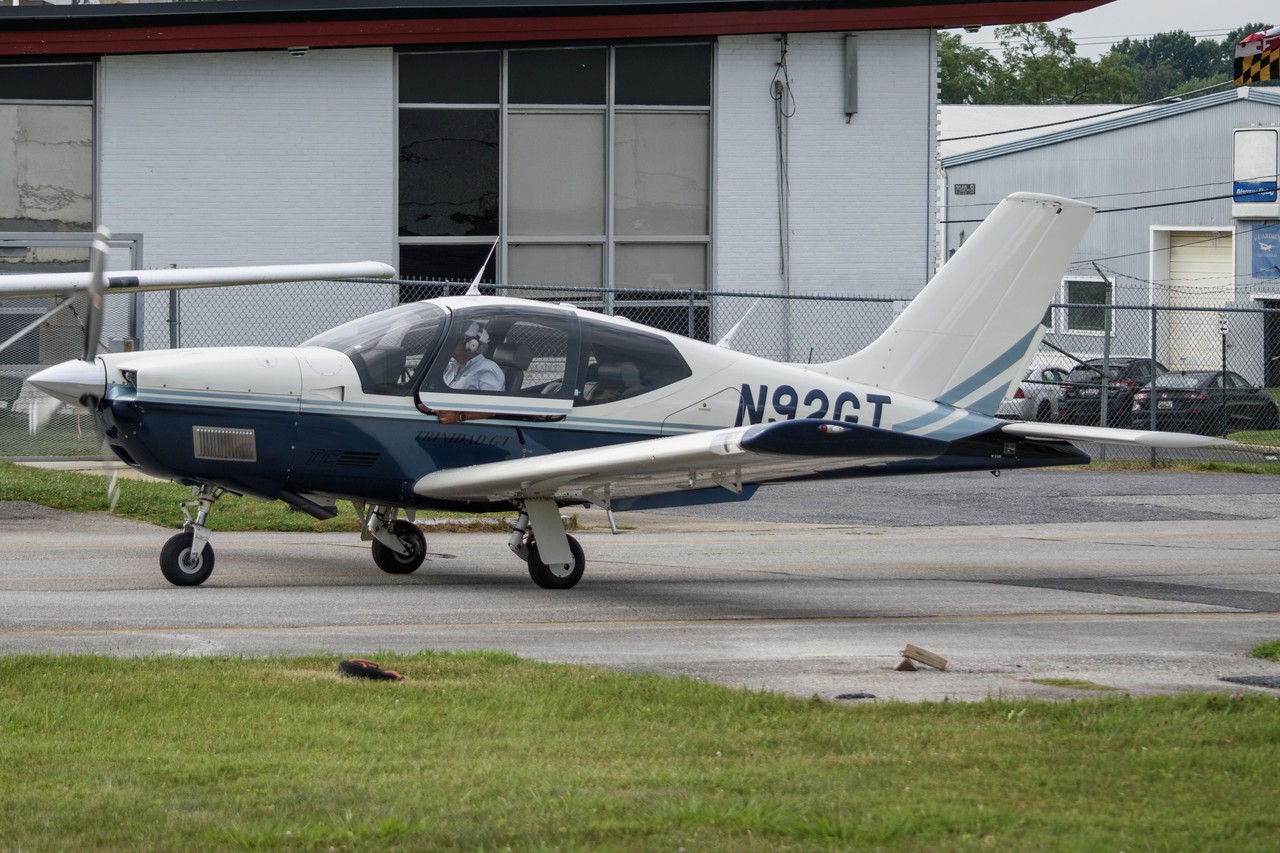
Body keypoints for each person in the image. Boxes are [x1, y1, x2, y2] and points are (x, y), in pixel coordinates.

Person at [421, 322, 504, 425]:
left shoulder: (487, 369)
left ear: (471, 345)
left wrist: (458, 417)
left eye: (455, 341)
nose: (449, 345)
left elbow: (492, 410)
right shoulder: (453, 367)